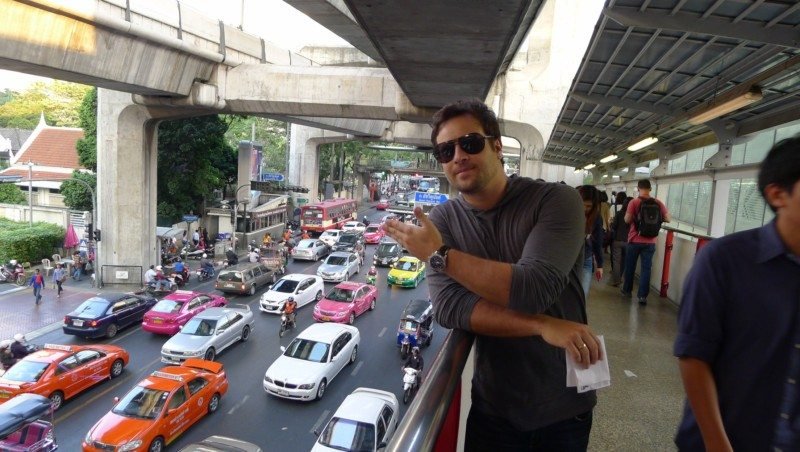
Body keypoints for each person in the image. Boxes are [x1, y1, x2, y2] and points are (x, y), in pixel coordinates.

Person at [382, 99, 600, 451]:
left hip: (563, 406)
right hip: (494, 406)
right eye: (445, 150)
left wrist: (439, 255)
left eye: (470, 143)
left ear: (497, 147)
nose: (458, 156)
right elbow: (450, 308)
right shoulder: (443, 221)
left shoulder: (556, 201)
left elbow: (534, 289)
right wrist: (541, 325)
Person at [674, 135, 800, 451]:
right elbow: (693, 355)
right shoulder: (724, 260)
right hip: (728, 439)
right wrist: (718, 444)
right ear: (778, 194)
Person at [622, 178, 671, 305]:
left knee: (630, 266)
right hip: (650, 242)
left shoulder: (634, 202)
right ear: (650, 189)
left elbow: (627, 220)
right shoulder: (658, 203)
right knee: (646, 269)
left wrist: (635, 218)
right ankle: (642, 296)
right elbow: (668, 219)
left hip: (634, 239)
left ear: (638, 189)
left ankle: (627, 291)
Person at [577, 185, 604, 297]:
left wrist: (600, 265)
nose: (584, 208)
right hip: (567, 260)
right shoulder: (567, 213)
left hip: (586, 259)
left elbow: (597, 242)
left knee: (582, 296)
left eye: (588, 206)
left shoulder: (596, 218)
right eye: (582, 204)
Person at [609, 195, 631, 287]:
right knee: (624, 261)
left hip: (617, 240)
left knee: (616, 261)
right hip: (628, 241)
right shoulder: (634, 215)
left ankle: (616, 280)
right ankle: (621, 277)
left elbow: (613, 226)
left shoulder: (619, 213)